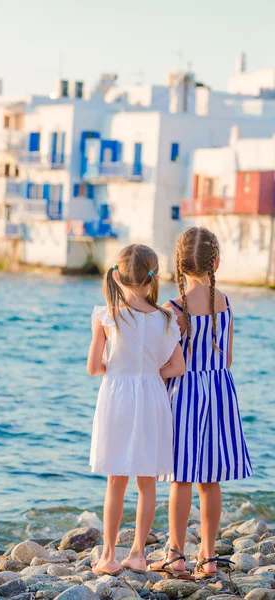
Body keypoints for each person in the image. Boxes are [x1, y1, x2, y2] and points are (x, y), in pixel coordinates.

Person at [149, 227, 252, 579]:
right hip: (220, 393)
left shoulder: (172, 308)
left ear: (179, 265)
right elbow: (230, 358)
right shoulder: (226, 304)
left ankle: (175, 554)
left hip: (185, 395)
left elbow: (167, 361)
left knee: (181, 479)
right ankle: (207, 557)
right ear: (217, 262)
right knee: (211, 480)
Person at [87, 243, 185, 576]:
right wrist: (150, 374)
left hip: (118, 396)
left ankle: (109, 556)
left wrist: (118, 367)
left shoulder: (107, 315)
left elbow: (93, 368)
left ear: (118, 276)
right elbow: (178, 367)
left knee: (116, 480)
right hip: (152, 396)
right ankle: (139, 554)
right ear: (152, 276)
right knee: (147, 481)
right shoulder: (167, 317)